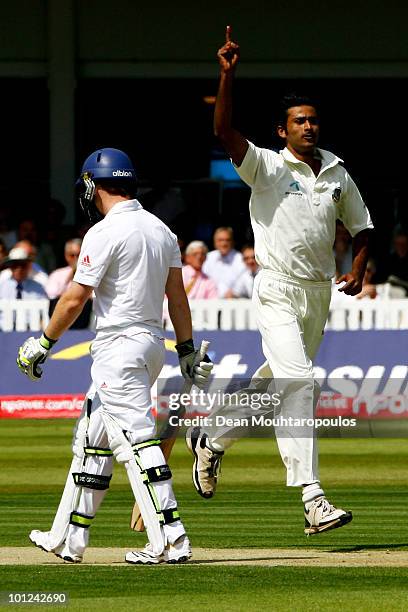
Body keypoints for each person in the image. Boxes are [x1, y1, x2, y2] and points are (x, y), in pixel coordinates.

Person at [186, 27, 374, 536]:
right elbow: (224, 132)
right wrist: (227, 76)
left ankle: (212, 438)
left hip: (317, 294)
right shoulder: (267, 167)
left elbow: (362, 227)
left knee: (273, 388)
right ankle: (312, 498)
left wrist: (358, 269)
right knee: (300, 383)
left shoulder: (336, 172)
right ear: (282, 130)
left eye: (313, 120)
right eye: (299, 121)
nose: (308, 126)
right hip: (274, 287)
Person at [16, 148, 213, 564]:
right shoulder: (161, 229)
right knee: (91, 443)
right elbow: (177, 298)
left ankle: (172, 541)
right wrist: (187, 349)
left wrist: (43, 343)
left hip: (118, 349)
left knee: (137, 444)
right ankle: (66, 538)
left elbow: (74, 298)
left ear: (93, 185)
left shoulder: (104, 232)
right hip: (148, 345)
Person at [46, 238, 92, 329]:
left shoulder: (92, 273)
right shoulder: (57, 274)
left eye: (78, 255)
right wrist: (69, 278)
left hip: (84, 319)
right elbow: (51, 295)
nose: (76, 258)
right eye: (72, 255)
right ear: (66, 256)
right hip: (61, 317)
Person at [0, 247, 47, 330]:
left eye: (22, 265)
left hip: (31, 330)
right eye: (15, 265)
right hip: (4, 331)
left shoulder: (38, 288)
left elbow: (44, 314)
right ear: (10, 267)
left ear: (28, 266)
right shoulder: (2, 286)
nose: (19, 269)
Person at [202, 226, 246, 297]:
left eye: (227, 240)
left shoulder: (240, 259)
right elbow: (204, 278)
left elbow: (244, 279)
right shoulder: (208, 257)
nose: (224, 244)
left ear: (232, 242)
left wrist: (234, 293)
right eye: (220, 240)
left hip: (235, 301)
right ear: (215, 242)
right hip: (210, 301)